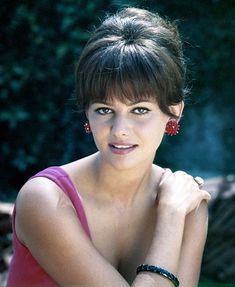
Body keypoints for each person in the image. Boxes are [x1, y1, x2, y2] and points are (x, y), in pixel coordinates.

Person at [7, 7, 211, 287]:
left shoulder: (188, 204)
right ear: (87, 113)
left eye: (139, 110)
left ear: (173, 114)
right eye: (104, 110)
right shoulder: (44, 199)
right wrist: (170, 217)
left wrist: (175, 210)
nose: (120, 130)